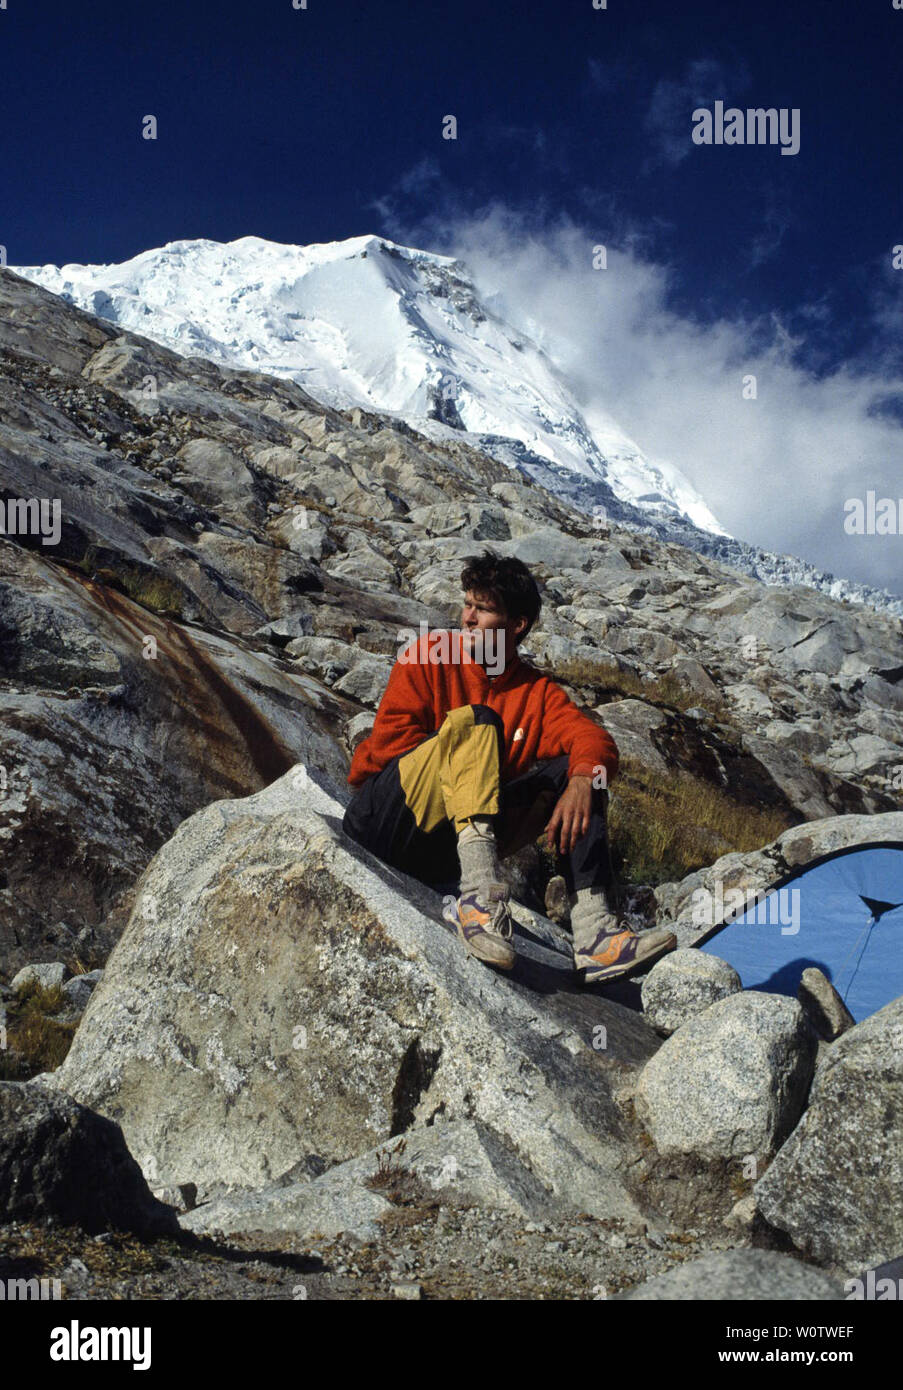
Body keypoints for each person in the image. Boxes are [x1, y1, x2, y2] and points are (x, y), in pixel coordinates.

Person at [342, 550, 676, 983]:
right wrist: (472, 760)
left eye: (483, 609)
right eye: (467, 605)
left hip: (442, 854)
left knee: (579, 772)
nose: (468, 618)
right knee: (476, 723)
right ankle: (479, 901)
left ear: (516, 626)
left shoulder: (535, 691)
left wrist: (579, 779)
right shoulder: (429, 655)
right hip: (383, 820)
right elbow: (390, 752)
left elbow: (594, 739)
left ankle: (595, 935)